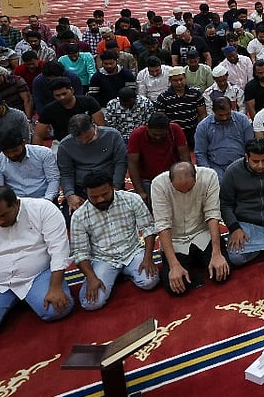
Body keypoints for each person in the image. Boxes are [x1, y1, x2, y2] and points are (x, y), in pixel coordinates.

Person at [0, 187, 73, 344]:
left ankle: (30, 297)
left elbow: (59, 249)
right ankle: (18, 300)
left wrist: (55, 287)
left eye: (4, 215)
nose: (0, 221)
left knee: (57, 310)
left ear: (17, 204)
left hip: (37, 275)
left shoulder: (42, 209)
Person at [70, 172, 159, 311]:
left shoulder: (131, 199)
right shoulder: (79, 216)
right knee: (91, 303)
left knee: (150, 281)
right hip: (103, 259)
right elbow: (79, 252)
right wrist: (92, 278)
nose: (100, 200)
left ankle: (121, 273)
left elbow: (148, 228)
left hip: (132, 251)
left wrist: (148, 258)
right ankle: (116, 274)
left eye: (104, 194)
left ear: (113, 187)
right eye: (93, 197)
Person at [151, 162, 230, 294]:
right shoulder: (159, 184)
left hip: (202, 234)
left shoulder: (209, 176)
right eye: (179, 190)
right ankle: (191, 264)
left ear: (196, 178)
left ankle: (196, 262)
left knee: (222, 273)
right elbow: (162, 225)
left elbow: (213, 214)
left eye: (189, 189)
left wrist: (217, 253)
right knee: (175, 288)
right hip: (176, 240)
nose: (185, 193)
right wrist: (174, 265)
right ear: (170, 181)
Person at [57, 114, 128, 214]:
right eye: (79, 139)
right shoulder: (65, 145)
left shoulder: (112, 135)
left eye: (87, 137)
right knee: (71, 217)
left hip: (109, 185)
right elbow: (66, 173)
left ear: (93, 126)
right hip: (82, 188)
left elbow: (120, 162)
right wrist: (70, 195)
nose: (84, 141)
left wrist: (116, 187)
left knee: (124, 212)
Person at [127, 112, 190, 203]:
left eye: (161, 135)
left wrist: (186, 179)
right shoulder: (137, 135)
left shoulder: (175, 130)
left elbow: (185, 157)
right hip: (148, 179)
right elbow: (132, 164)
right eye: (155, 135)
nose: (158, 138)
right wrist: (140, 191)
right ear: (147, 128)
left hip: (173, 176)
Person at [0, 131, 60, 201]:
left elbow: (53, 179)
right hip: (15, 204)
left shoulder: (43, 153)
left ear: (23, 143)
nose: (11, 155)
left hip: (44, 199)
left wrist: (46, 200)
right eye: (7, 152)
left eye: (15, 151)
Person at [194, 96, 253, 181]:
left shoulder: (242, 120)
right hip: (215, 166)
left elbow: (250, 146)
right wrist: (208, 174)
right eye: (220, 115)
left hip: (241, 163)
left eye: (227, 114)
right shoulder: (203, 126)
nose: (224, 118)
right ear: (213, 111)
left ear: (231, 108)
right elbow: (200, 154)